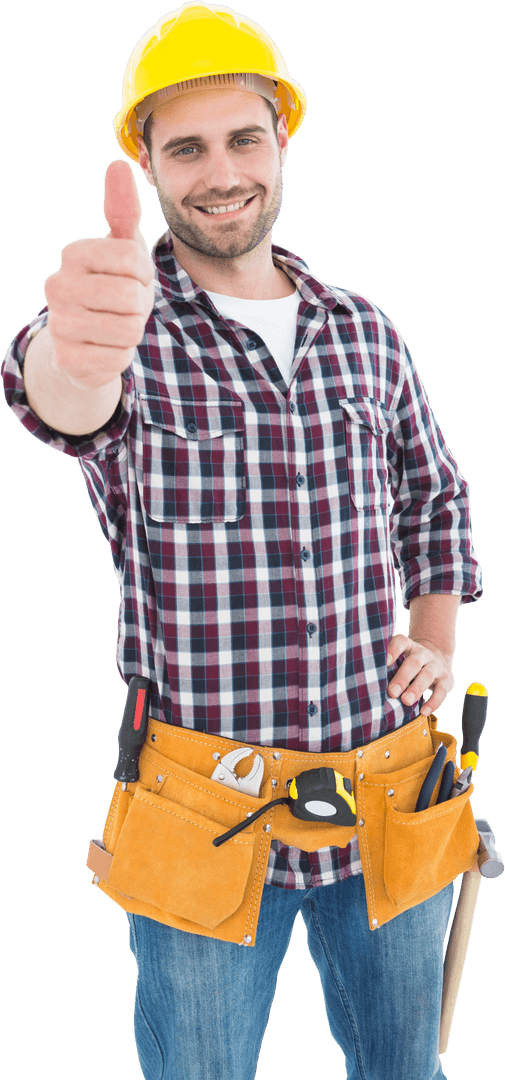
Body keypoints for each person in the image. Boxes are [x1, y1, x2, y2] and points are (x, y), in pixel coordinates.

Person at [1, 3, 482, 1079]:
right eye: (186, 147)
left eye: (242, 138)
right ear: (147, 162)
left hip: (388, 796)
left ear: (280, 139)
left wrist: (434, 638)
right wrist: (73, 352)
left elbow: (436, 498)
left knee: (408, 1069)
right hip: (204, 814)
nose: (220, 171)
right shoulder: (130, 326)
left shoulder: (364, 331)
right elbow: (59, 397)